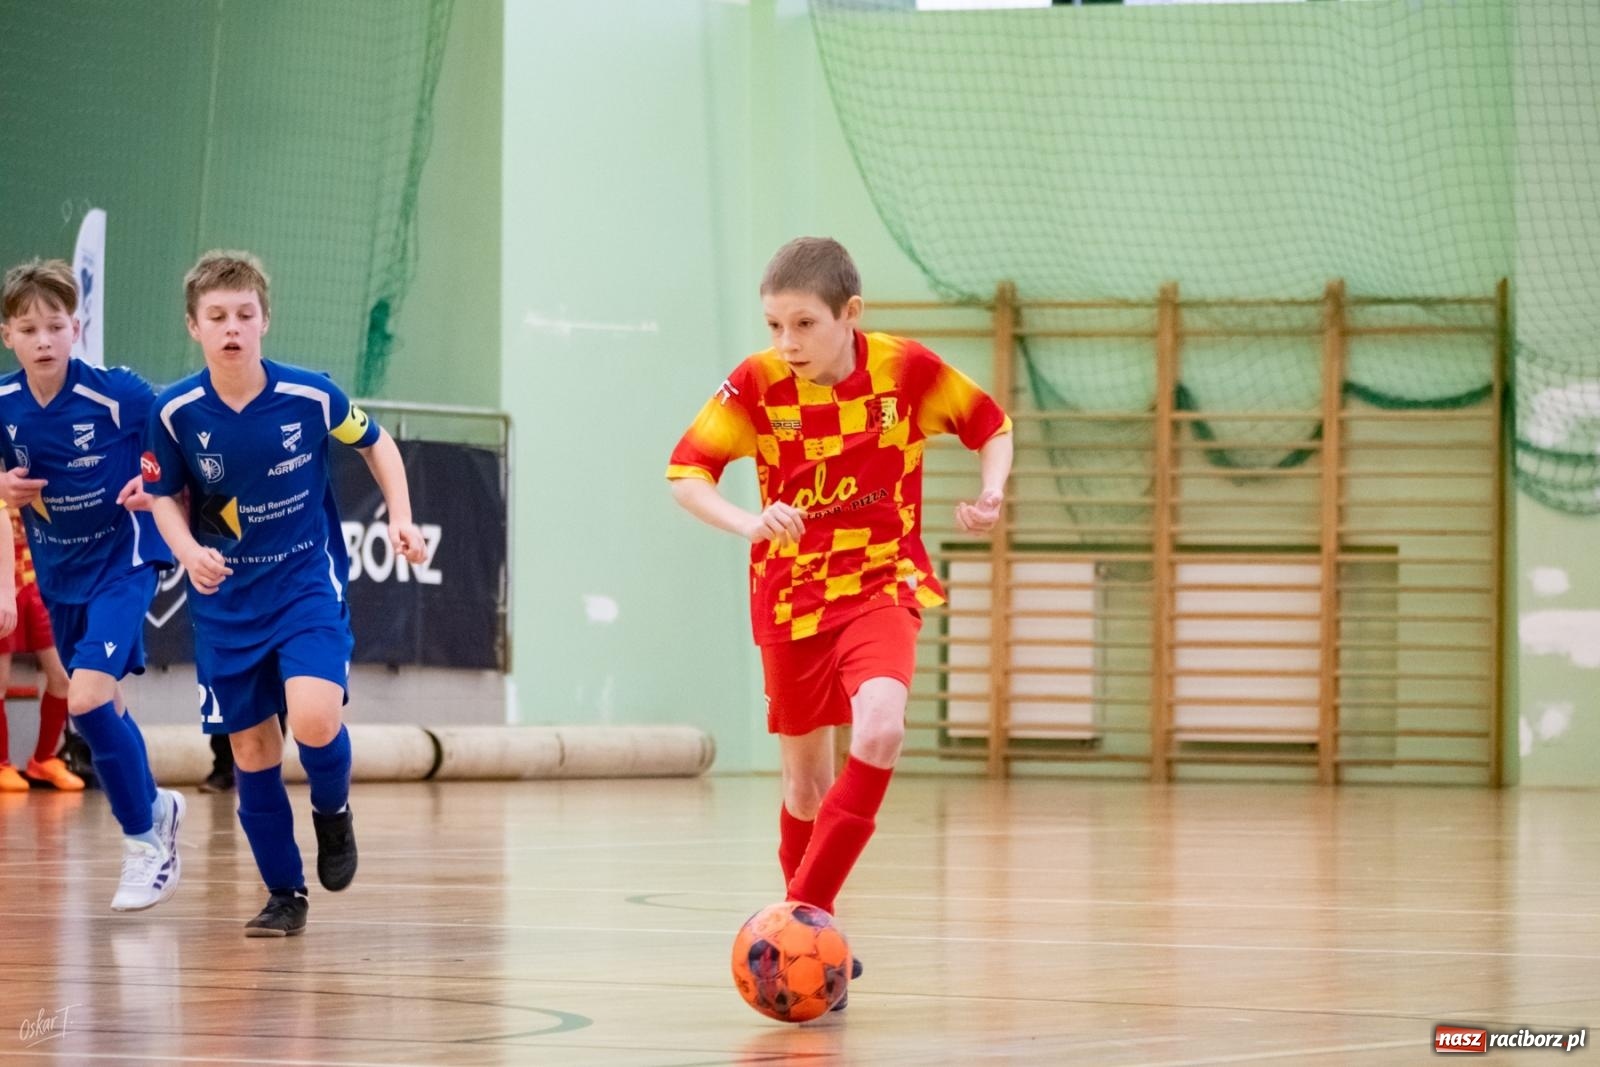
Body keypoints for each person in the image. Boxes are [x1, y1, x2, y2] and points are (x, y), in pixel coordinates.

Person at [666, 237, 1012, 1006]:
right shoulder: (755, 385)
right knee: (804, 786)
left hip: (880, 581)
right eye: (773, 325)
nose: (786, 343)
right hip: (790, 597)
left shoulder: (905, 370)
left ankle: (797, 924)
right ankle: (812, 936)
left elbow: (991, 423)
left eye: (803, 324)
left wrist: (991, 491)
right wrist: (750, 521)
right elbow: (686, 472)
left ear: (849, 315)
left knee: (882, 728)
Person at [143, 250, 425, 937]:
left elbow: (378, 443)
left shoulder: (310, 394)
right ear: (194, 326)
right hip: (227, 601)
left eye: (244, 314)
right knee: (251, 753)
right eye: (217, 316)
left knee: (316, 718)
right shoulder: (175, 411)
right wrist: (187, 552)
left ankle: (332, 813)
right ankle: (284, 892)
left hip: (304, 582)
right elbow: (160, 497)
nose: (232, 327)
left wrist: (401, 513)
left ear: (265, 319)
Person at [0, 258, 183, 910]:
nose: (44, 338)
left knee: (84, 698)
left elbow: (176, 436)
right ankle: (157, 804)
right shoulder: (5, 405)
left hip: (124, 560)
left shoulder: (118, 392)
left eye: (56, 325)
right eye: (29, 327)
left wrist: (155, 479)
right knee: (104, 705)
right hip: (59, 573)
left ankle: (145, 845)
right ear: (8, 335)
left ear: (75, 327)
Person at [0, 506, 79, 792]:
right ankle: (2, 763)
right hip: (4, 587)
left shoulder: (37, 466)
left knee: (63, 677)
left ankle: (44, 759)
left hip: (38, 586)